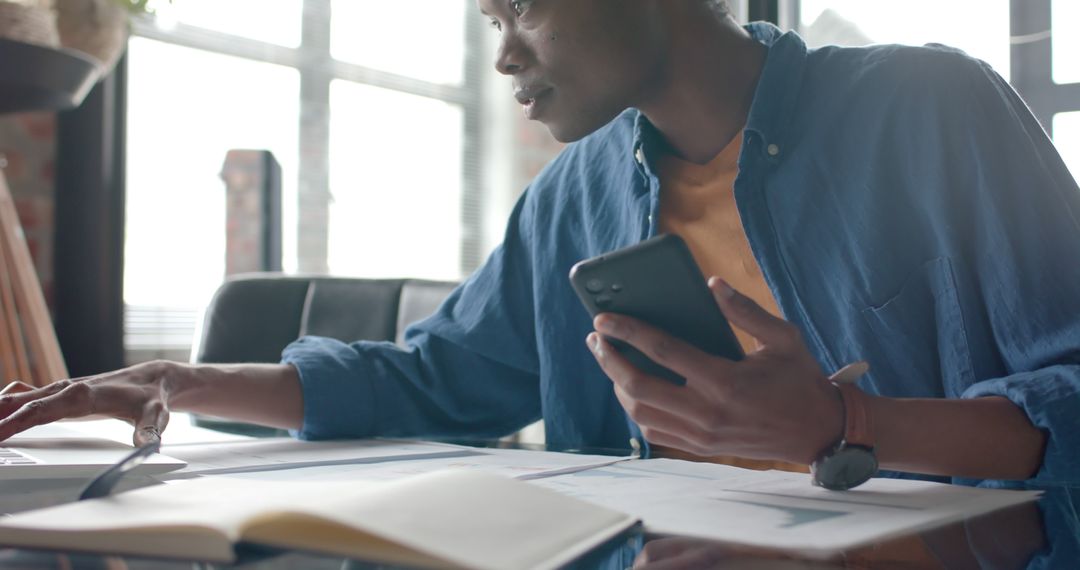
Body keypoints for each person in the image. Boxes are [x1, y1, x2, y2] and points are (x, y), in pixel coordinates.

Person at [1, 0, 1077, 486]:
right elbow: (434, 380)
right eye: (486, 23)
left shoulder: (934, 106)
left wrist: (848, 421)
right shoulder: (577, 193)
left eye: (517, 6)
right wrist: (175, 381)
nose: (507, 55)